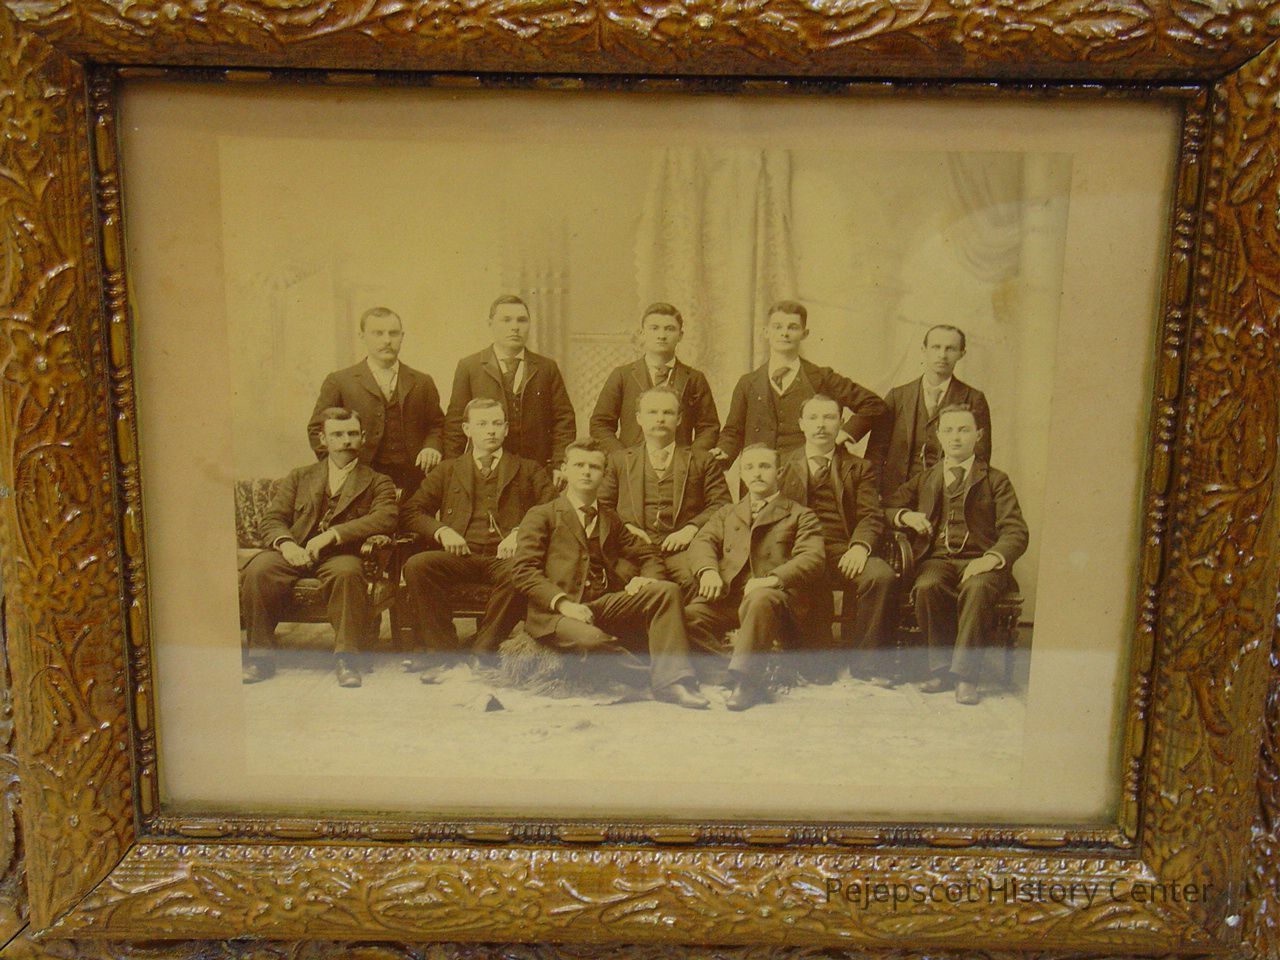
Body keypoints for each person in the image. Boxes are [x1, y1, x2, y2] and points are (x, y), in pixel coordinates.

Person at [511, 438, 710, 709]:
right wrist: (564, 604)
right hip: (557, 614)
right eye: (579, 465)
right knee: (592, 641)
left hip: (602, 604)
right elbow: (524, 571)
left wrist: (647, 578)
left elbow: (648, 555)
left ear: (604, 474)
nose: (586, 472)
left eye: (594, 467)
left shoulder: (610, 518)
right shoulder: (542, 515)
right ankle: (656, 678)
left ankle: (672, 682)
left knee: (665, 590)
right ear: (565, 469)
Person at [241, 408, 398, 687]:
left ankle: (346, 659)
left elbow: (386, 517)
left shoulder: (377, 481)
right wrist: (287, 545)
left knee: (347, 574)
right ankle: (260, 658)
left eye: (352, 434)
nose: (346, 440)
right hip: (294, 551)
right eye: (337, 435)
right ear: (323, 439)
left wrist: (333, 535)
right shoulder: (300, 476)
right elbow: (273, 518)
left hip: (340, 555)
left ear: (363, 437)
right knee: (259, 569)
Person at [399, 398, 556, 678]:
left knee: (521, 573)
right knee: (417, 565)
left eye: (497, 423)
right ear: (467, 429)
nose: (490, 430)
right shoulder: (448, 470)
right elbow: (412, 511)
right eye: (482, 424)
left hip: (505, 559)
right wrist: (442, 531)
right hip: (461, 556)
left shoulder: (529, 469)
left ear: (506, 429)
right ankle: (445, 653)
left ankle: (482, 653)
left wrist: (520, 534)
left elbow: (552, 510)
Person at [883, 403, 1027, 705]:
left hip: (983, 560)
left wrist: (990, 559)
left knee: (977, 588)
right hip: (938, 560)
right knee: (927, 587)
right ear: (938, 435)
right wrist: (906, 516)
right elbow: (887, 507)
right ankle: (939, 670)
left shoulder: (996, 480)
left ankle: (966, 677)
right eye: (948, 430)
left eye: (963, 430)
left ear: (978, 435)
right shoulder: (926, 478)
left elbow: (1016, 531)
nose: (955, 437)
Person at [683, 444, 828, 710]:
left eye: (764, 466)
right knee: (687, 616)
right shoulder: (727, 513)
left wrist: (772, 579)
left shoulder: (800, 515)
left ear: (779, 472)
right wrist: (708, 571)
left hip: (777, 604)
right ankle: (739, 670)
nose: (757, 473)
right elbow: (702, 542)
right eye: (749, 468)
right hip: (731, 598)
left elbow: (812, 558)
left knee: (760, 598)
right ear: (741, 474)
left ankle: (746, 682)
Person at [779, 395, 897, 686]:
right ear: (801, 424)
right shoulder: (781, 464)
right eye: (814, 418)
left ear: (841, 423)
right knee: (808, 578)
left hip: (844, 548)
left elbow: (871, 515)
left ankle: (865, 662)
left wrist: (859, 547)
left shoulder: (859, 467)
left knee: (880, 575)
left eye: (829, 417)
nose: (821, 425)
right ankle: (816, 659)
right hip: (800, 550)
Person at [714, 300, 887, 466]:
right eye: (777, 327)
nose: (784, 333)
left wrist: (845, 433)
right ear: (766, 332)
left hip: (809, 476)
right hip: (759, 475)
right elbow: (733, 431)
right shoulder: (748, 383)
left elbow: (874, 405)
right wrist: (723, 450)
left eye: (793, 327)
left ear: (805, 333)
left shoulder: (821, 377)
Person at [598, 385, 730, 596]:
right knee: (614, 577)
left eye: (668, 413)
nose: (660, 419)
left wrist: (690, 529)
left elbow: (722, 504)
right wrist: (626, 527)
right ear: (639, 418)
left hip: (682, 551)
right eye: (652, 412)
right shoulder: (619, 461)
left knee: (697, 582)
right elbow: (602, 505)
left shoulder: (702, 460)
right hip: (634, 552)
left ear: (679, 419)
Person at [306, 306, 445, 492]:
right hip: (360, 483)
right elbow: (317, 429)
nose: (387, 340)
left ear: (402, 336)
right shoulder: (340, 381)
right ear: (362, 336)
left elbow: (437, 425)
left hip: (414, 481)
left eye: (393, 333)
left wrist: (432, 448)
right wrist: (341, 468)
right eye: (378, 333)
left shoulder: (422, 381)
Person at [444, 295, 576, 475]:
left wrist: (559, 464)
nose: (515, 327)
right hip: (486, 471)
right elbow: (455, 424)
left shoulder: (547, 367)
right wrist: (453, 470)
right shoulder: (470, 366)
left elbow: (564, 420)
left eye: (522, 320)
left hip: (536, 470)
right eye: (506, 320)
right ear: (490, 324)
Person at [866, 324, 992, 497]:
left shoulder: (973, 399)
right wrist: (872, 494)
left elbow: (980, 457)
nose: (942, 355)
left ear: (962, 354)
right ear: (923, 350)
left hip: (946, 498)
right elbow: (875, 452)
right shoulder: (898, 396)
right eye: (936, 347)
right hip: (895, 497)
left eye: (950, 349)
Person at [589, 302, 720, 453]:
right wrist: (623, 457)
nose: (662, 335)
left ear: (680, 335)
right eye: (654, 328)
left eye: (669, 329)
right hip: (631, 463)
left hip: (680, 465)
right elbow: (600, 424)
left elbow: (709, 427)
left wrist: (690, 458)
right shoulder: (622, 376)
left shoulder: (695, 379)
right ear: (642, 334)